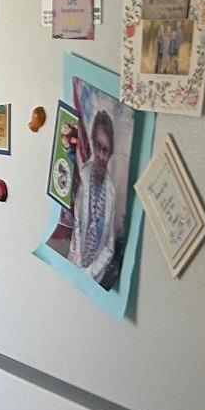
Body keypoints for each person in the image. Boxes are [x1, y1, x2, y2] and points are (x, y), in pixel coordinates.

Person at [67, 108, 122, 288]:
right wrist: (76, 261)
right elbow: (76, 224)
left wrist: (89, 273)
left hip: (94, 277)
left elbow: (109, 247)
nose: (100, 155)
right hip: (73, 264)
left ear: (111, 152)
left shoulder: (112, 192)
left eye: (105, 149)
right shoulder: (83, 176)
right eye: (98, 146)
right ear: (92, 143)